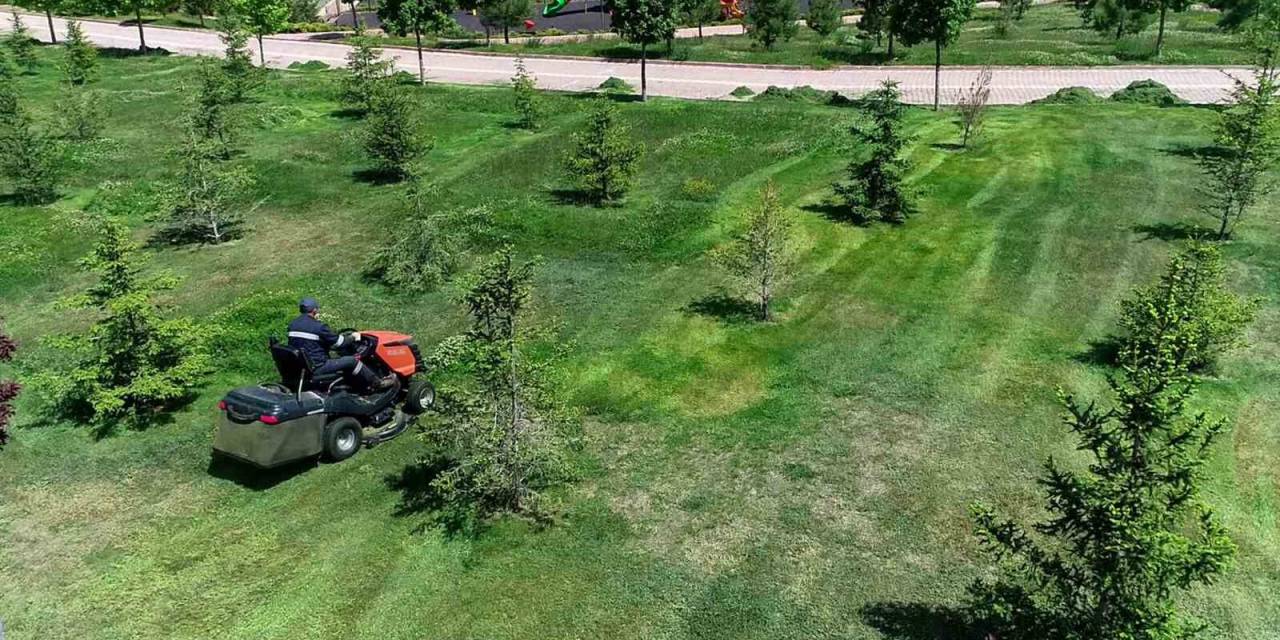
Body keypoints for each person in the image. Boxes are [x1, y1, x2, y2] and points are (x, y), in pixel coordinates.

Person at [287, 297, 394, 391]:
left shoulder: (293, 324)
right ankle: (377, 383)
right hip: (317, 366)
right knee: (352, 360)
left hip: (303, 365)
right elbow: (341, 343)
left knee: (338, 357)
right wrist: (353, 337)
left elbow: (310, 342)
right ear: (315, 310)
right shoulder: (319, 327)